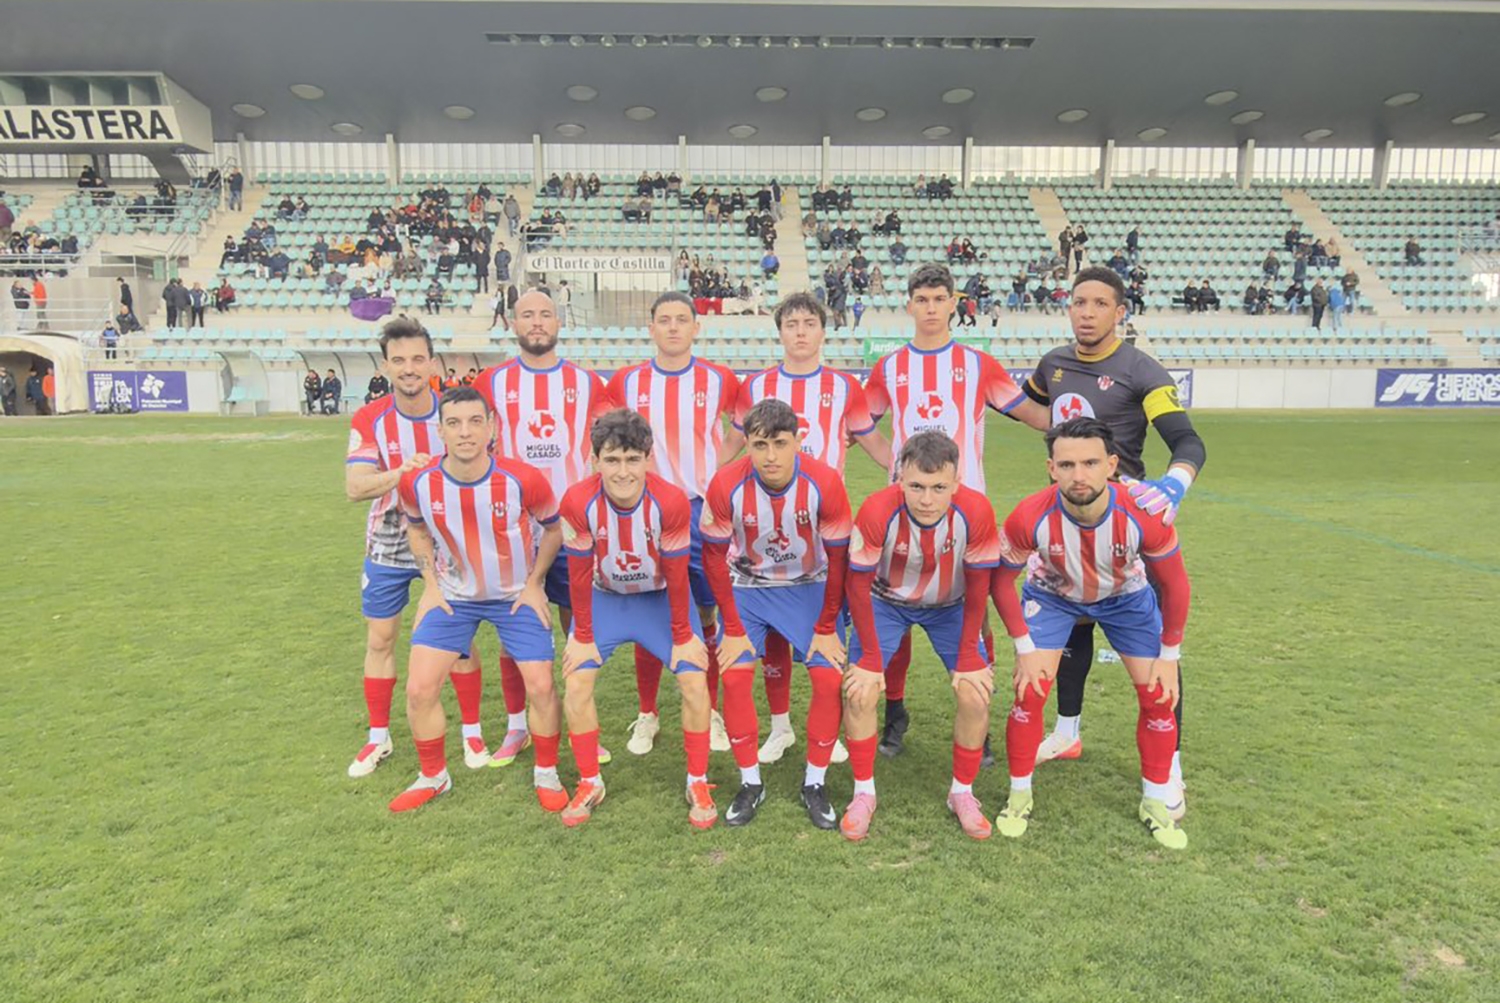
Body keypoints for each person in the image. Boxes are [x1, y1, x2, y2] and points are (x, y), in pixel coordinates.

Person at [1019, 266, 1205, 811]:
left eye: (1100, 303)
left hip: (1124, 517)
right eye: (1079, 302)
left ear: (1119, 312)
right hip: (1064, 511)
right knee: (1068, 614)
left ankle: (1170, 761)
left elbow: (1187, 440)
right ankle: (1068, 731)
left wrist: (1174, 484)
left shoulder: (1140, 372)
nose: (1087, 312)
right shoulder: (1053, 364)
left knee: (1153, 636)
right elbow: (1033, 408)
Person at [863, 262, 1047, 758]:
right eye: (920, 300)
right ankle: (895, 711)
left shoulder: (978, 363)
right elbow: (860, 420)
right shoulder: (890, 367)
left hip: (967, 512)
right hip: (905, 510)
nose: (929, 308)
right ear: (909, 306)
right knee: (895, 606)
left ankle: (978, 725)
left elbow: (1025, 411)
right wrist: (890, 463)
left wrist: (1079, 421)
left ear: (952, 304)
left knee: (975, 609)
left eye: (938, 299)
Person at [991, 417, 1192, 849]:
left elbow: (1176, 585)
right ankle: (1019, 794)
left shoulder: (1143, 512)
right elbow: (997, 581)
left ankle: (1155, 800)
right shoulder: (1030, 514)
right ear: (1051, 468)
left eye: (1089, 463)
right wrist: (1023, 647)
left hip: (1125, 597)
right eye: (1066, 465)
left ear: (1112, 465)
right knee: (1029, 693)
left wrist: (1170, 656)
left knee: (1158, 694)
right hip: (1052, 594)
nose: (1078, 475)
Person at [730, 293, 892, 764]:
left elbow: (872, 440)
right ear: (779, 332)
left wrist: (902, 480)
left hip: (825, 527)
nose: (800, 332)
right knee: (773, 635)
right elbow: (738, 448)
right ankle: (780, 727)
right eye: (791, 324)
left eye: (809, 323)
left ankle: (830, 729)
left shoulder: (844, 386)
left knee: (828, 631)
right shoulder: (755, 384)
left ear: (824, 330)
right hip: (763, 525)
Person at [388, 386, 565, 813]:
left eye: (474, 421)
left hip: (513, 596)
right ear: (441, 431)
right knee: (419, 689)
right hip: (452, 598)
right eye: (454, 423)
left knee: (541, 686)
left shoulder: (524, 479)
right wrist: (429, 583)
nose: (465, 432)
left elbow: (554, 530)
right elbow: (415, 528)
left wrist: (534, 582)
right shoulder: (418, 481)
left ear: (491, 427)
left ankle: (547, 771)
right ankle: (434, 776)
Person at [555, 409, 717, 827]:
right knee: (576, 682)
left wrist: (683, 635)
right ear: (594, 461)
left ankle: (697, 780)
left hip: (660, 601)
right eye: (611, 460)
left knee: (694, 680)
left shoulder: (671, 501)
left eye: (631, 459)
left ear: (648, 458)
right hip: (606, 599)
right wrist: (582, 634)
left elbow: (679, 576)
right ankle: (591, 780)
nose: (622, 471)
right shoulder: (576, 501)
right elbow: (577, 574)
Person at [344, 321, 490, 780]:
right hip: (388, 539)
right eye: (399, 360)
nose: (409, 369)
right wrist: (403, 474)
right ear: (386, 365)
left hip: (445, 537)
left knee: (460, 640)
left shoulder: (454, 412)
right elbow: (354, 487)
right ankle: (377, 737)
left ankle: (471, 729)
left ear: (432, 361)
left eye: (417, 359)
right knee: (380, 639)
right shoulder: (371, 418)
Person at [473, 290, 613, 766]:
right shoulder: (491, 381)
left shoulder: (587, 382)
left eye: (545, 315)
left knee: (579, 627)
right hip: (514, 529)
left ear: (559, 322)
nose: (537, 323)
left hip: (573, 526)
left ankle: (579, 717)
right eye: (527, 315)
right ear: (513, 324)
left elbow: (604, 448)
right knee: (518, 631)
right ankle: (518, 727)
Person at [840, 432, 1000, 841]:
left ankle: (962, 793)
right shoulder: (877, 510)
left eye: (938, 488)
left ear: (957, 481)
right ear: (899, 479)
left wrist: (968, 653)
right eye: (916, 486)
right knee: (859, 690)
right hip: (885, 601)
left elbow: (980, 586)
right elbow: (856, 586)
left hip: (951, 606)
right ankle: (863, 794)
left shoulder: (976, 511)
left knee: (975, 692)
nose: (927, 500)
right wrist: (871, 658)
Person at [701, 399, 852, 830]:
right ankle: (751, 783)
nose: (770, 456)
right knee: (733, 675)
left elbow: (839, 560)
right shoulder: (726, 483)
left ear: (798, 441)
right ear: (746, 443)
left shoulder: (824, 481)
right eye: (759, 444)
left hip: (809, 585)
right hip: (748, 587)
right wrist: (730, 627)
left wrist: (827, 627)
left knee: (826, 676)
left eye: (780, 444)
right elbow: (713, 559)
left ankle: (815, 782)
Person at [607, 292, 741, 754]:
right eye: (664, 320)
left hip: (702, 512)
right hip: (644, 513)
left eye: (682, 319)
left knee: (707, 613)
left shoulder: (719, 378)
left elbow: (740, 427)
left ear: (695, 327)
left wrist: (715, 470)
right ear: (651, 327)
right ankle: (648, 714)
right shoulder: (626, 381)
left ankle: (713, 711)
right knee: (651, 609)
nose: (673, 327)